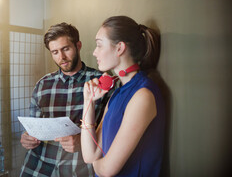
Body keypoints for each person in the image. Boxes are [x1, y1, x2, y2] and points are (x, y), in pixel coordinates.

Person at [20, 23, 110, 176]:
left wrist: (82, 141)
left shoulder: (101, 82)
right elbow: (33, 127)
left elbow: (110, 131)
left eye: (66, 49)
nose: (61, 57)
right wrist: (26, 138)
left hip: (78, 169)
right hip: (38, 168)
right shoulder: (43, 85)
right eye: (55, 52)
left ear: (78, 46)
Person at [81, 16, 165, 176]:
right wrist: (88, 101)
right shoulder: (116, 95)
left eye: (99, 45)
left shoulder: (142, 96)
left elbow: (106, 170)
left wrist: (95, 164)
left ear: (119, 48)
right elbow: (89, 154)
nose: (94, 52)